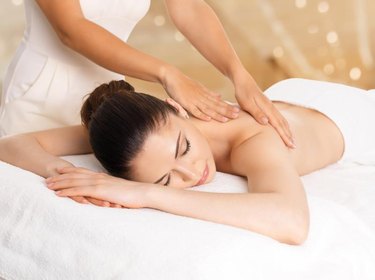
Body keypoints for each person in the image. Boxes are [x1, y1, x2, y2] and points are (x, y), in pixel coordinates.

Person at [1, 78, 375, 245]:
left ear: (177, 108)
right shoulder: (142, 137)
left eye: (184, 148)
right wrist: (63, 171)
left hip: (351, 116)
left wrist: (149, 194)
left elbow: (292, 222)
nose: (193, 172)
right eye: (166, 179)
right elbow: (13, 144)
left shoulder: (254, 142)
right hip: (291, 98)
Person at [0, 0, 294, 148]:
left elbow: (188, 7)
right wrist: (166, 73)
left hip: (109, 104)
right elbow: (71, 29)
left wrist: (238, 74)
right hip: (41, 101)